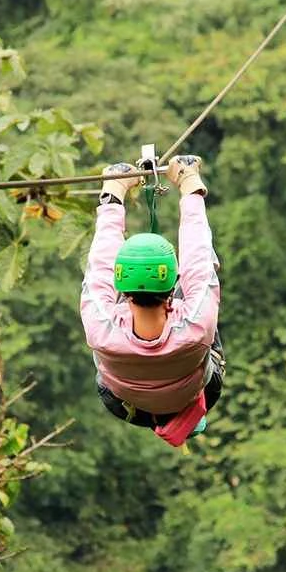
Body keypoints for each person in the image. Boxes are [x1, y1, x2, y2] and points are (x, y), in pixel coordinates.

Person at [80, 155, 224, 447]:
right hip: (197, 390)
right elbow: (198, 262)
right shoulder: (195, 324)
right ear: (172, 284)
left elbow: (101, 266)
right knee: (201, 293)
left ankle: (170, 412)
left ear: (122, 287)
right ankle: (185, 413)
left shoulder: (101, 326)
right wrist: (189, 183)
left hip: (126, 405)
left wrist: (113, 191)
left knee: (102, 293)